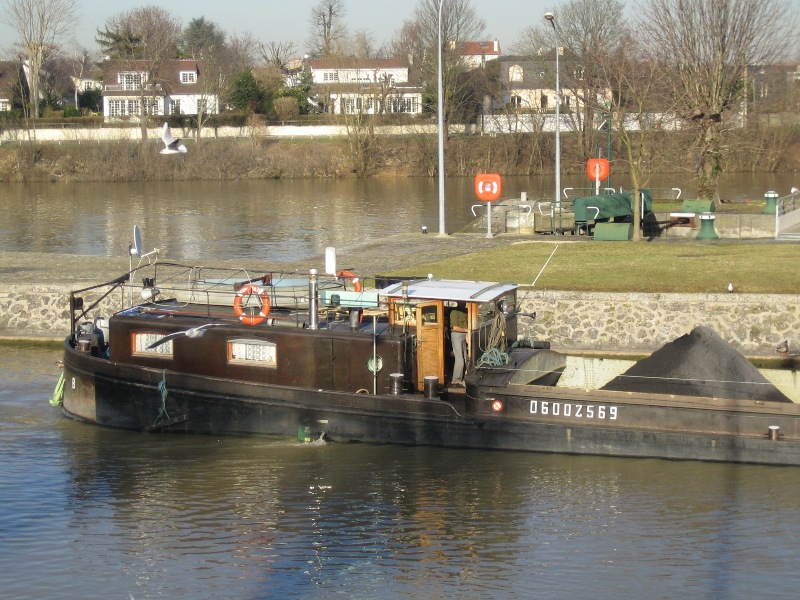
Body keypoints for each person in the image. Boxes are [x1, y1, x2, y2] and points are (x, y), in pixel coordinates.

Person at [450, 305, 469, 386]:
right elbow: (455, 328)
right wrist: (467, 330)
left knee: (466, 358)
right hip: (457, 335)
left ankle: (465, 378)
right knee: (460, 359)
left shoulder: (466, 312)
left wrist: (468, 334)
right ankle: (456, 379)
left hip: (465, 335)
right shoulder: (454, 312)